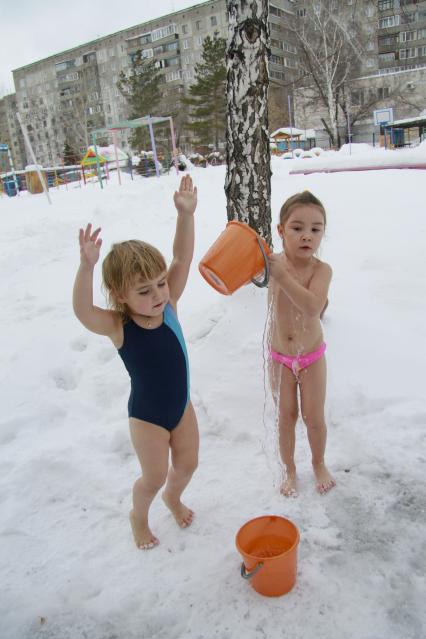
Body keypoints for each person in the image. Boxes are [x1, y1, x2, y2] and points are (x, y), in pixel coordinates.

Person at [73, 175, 199, 549]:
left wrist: (186, 215)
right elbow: (82, 312)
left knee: (188, 464)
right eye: (144, 291)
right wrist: (85, 267)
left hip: (181, 405)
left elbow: (181, 257)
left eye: (160, 283)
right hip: (147, 417)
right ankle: (138, 517)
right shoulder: (119, 325)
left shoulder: (169, 305)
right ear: (120, 295)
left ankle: (173, 498)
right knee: (153, 475)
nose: (159, 294)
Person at [267, 191, 336, 497]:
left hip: (311, 357)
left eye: (315, 229)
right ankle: (290, 470)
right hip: (280, 357)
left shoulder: (321, 270)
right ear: (281, 231)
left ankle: (318, 463)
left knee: (313, 417)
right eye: (297, 228)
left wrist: (281, 276)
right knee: (286, 417)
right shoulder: (271, 263)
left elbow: (312, 307)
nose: (307, 236)